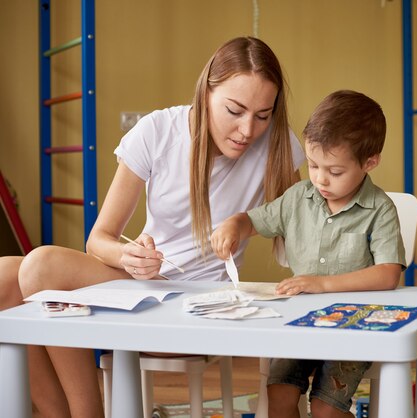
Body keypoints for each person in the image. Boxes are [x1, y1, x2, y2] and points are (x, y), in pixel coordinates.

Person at [0, 36, 304, 418]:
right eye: (235, 110)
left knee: (40, 266)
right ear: (206, 93)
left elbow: (298, 221)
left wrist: (244, 225)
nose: (247, 130)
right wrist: (129, 256)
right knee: (6, 277)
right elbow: (99, 240)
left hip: (198, 304)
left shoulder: (277, 144)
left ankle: (86, 413)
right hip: (144, 284)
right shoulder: (158, 131)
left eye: (263, 115)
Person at [211, 90, 406, 418]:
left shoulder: (380, 209)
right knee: (280, 395)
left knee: (325, 409)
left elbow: (388, 274)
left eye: (335, 171)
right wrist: (233, 225)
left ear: (369, 162)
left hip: (354, 327)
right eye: (313, 165)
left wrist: (323, 284)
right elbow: (253, 221)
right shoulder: (298, 197)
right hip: (300, 324)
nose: (320, 179)